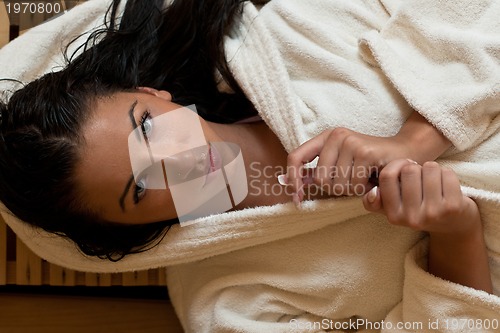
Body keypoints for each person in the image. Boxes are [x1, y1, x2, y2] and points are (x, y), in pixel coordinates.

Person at [0, 0, 498, 330]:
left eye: (147, 126)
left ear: (153, 93)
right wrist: (457, 235)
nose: (176, 160)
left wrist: (416, 137)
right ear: (125, 234)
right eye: (138, 189)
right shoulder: (228, 304)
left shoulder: (294, 30)